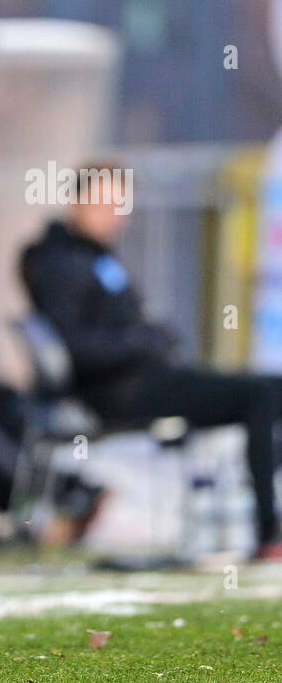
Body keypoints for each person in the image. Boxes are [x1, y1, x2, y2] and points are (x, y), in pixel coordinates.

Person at [21, 163, 282, 560]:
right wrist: (144, 339)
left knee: (272, 388)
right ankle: (268, 532)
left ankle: (249, 512)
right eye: (103, 202)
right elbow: (78, 347)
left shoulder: (98, 259)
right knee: (258, 396)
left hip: (146, 377)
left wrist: (151, 337)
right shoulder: (62, 264)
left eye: (120, 203)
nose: (114, 213)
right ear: (76, 203)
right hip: (119, 390)